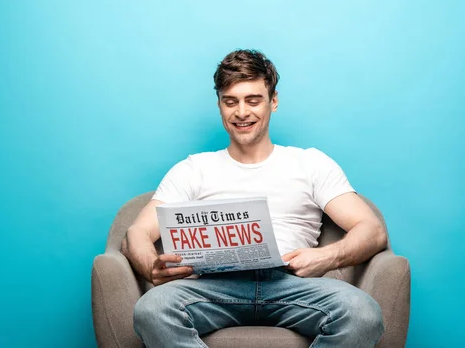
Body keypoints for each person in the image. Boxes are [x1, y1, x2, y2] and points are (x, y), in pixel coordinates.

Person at [121, 49, 387, 347]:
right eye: (230, 101)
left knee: (363, 314)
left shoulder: (310, 163)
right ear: (220, 105)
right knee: (152, 309)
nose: (241, 112)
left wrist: (326, 256)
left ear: (273, 101)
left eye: (253, 100)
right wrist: (151, 267)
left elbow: (372, 230)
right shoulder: (193, 169)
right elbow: (136, 233)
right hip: (212, 289)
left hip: (293, 286)